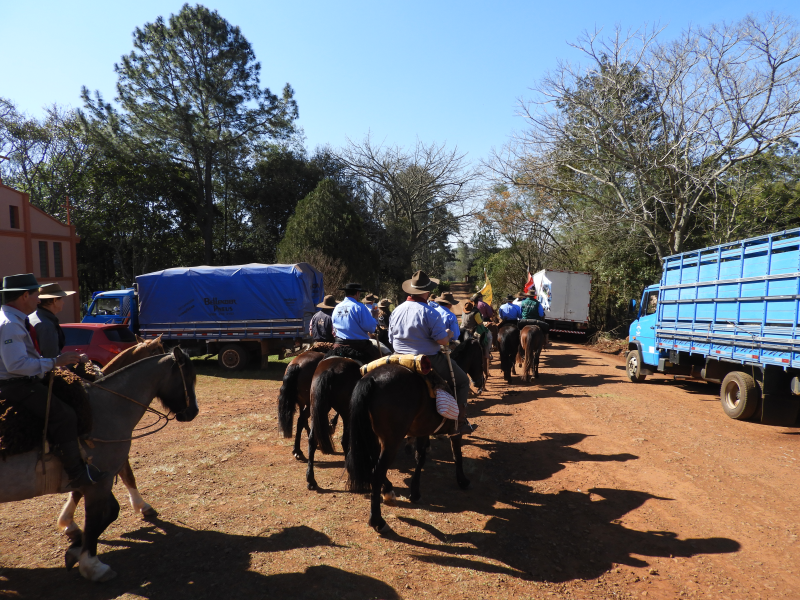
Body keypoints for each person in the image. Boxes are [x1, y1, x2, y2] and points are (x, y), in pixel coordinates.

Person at [0, 273, 103, 488]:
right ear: (25, 295)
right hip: (16, 385)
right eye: (37, 294)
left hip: (26, 379)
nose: (39, 299)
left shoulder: (16, 319)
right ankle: (76, 474)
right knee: (64, 415)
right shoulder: (9, 324)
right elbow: (16, 365)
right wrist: (55, 362)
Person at [389, 271, 473, 435]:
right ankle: (459, 422)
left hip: (398, 357)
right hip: (428, 359)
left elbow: (391, 339)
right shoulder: (430, 312)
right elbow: (442, 341)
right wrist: (448, 335)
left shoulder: (397, 310)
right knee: (462, 381)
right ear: (427, 292)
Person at [331, 282, 380, 361]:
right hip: (358, 346)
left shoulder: (337, 307)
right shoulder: (359, 307)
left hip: (338, 345)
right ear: (357, 293)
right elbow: (371, 328)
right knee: (378, 361)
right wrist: (374, 317)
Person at [29, 283, 76, 358]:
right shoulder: (46, 325)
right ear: (55, 300)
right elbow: (51, 359)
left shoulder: (32, 317)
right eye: (61, 299)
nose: (63, 302)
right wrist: (76, 359)